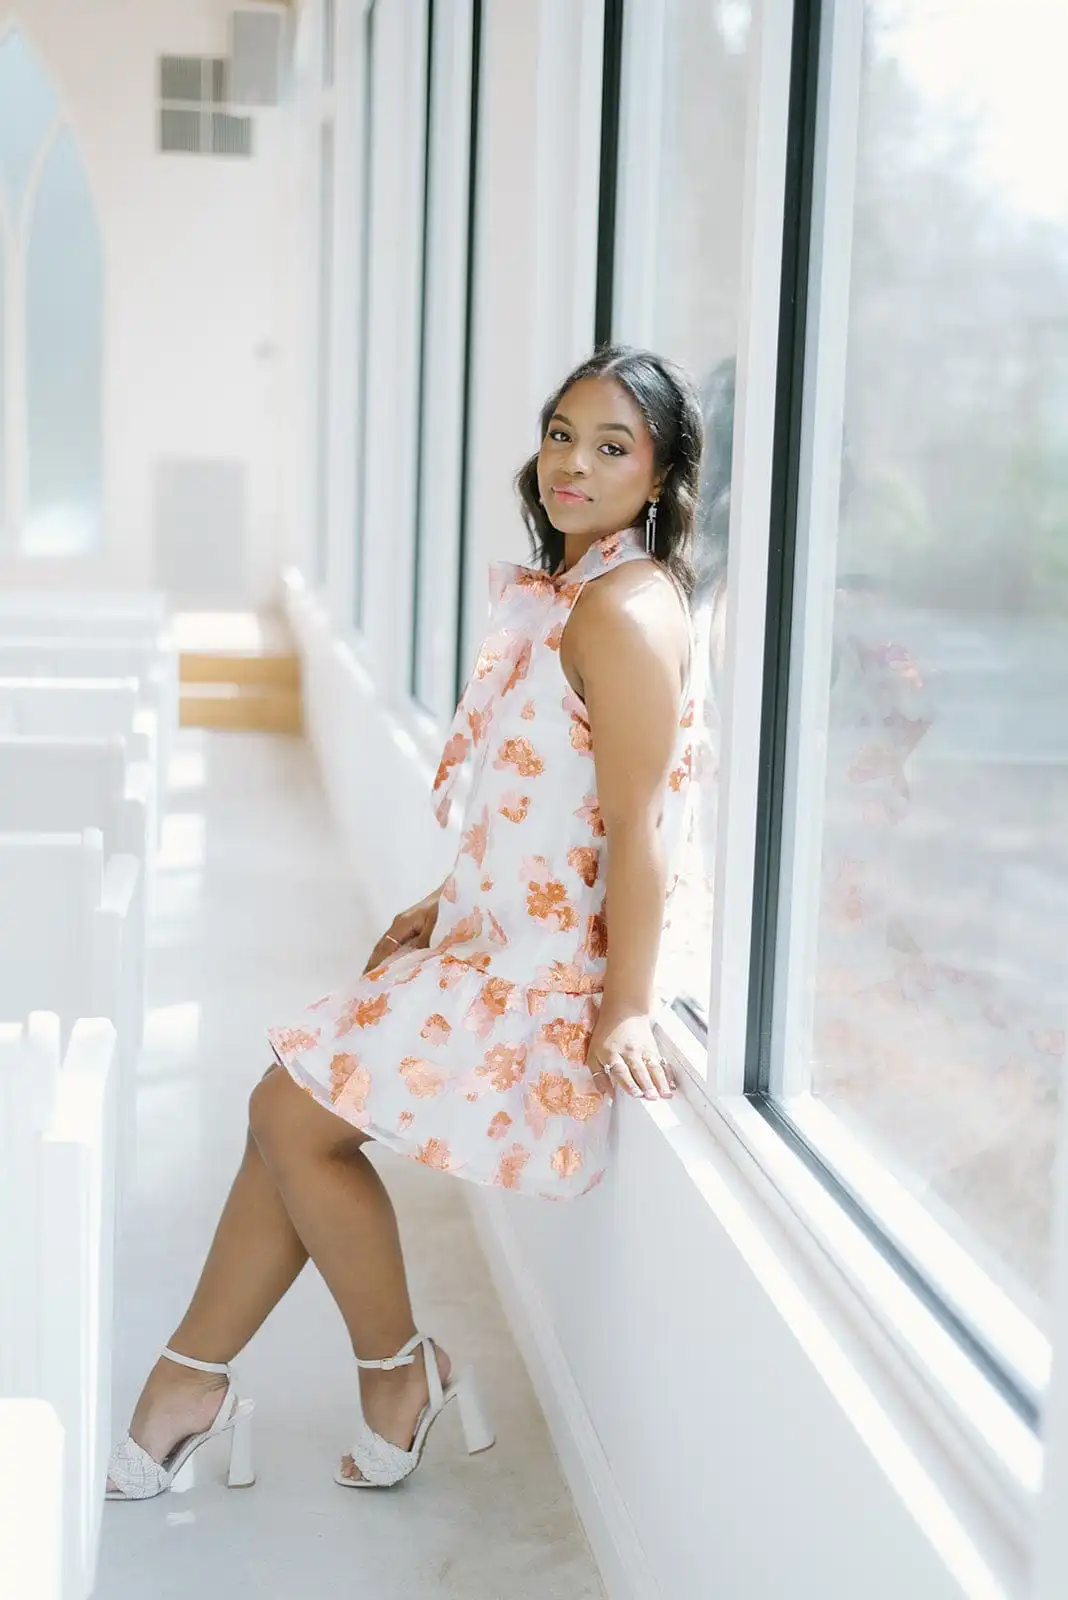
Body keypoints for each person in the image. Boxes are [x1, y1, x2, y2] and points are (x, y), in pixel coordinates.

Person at [105, 344, 705, 1501]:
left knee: (289, 1113)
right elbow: (549, 797)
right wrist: (445, 899)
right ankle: (204, 1378)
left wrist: (626, 1004)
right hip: (489, 944)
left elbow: (641, 826)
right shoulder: (580, 590)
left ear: (665, 472)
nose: (572, 465)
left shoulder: (625, 610)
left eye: (612, 446)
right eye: (561, 434)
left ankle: (375, 1375)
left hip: (545, 984)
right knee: (287, 1118)